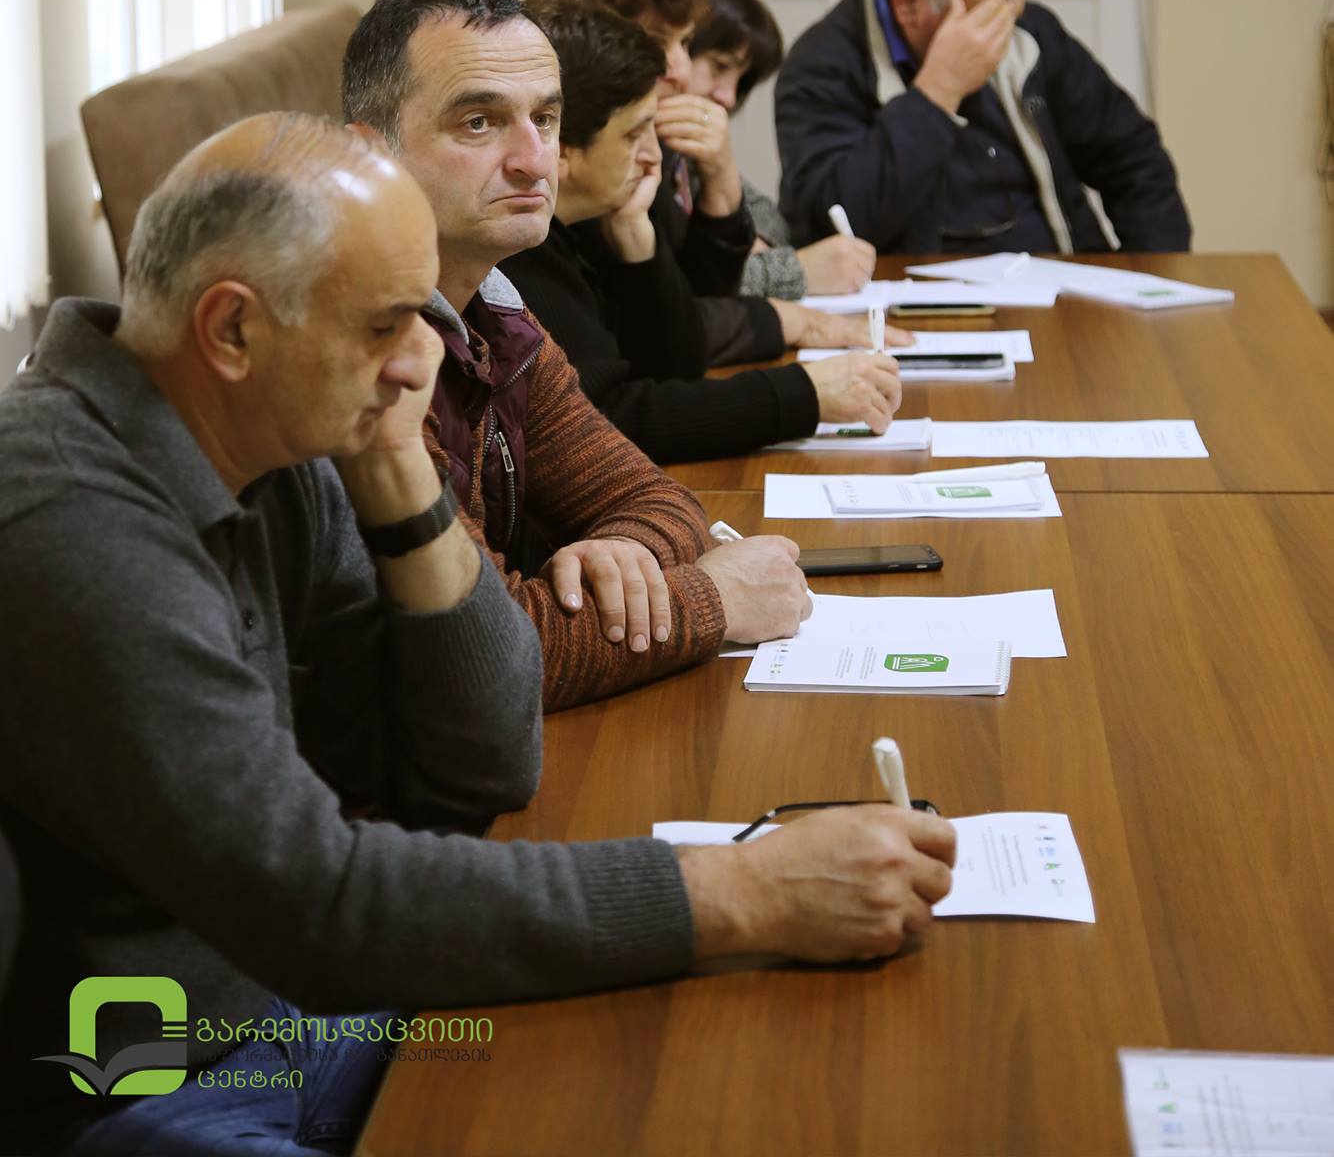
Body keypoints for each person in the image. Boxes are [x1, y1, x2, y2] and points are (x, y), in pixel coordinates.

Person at [0, 114, 956, 1157]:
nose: (420, 362)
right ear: (231, 329)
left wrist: (402, 479)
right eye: (385, 324)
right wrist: (740, 889)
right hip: (125, 1079)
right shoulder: (67, 517)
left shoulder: (276, 439)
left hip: (284, 1010)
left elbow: (486, 759)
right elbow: (315, 901)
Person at [341, 0, 816, 712]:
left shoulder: (495, 307)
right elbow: (483, 657)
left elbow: (652, 497)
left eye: (545, 118)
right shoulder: (358, 355)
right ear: (371, 155)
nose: (535, 161)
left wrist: (624, 559)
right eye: (479, 122)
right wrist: (714, 598)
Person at [502, 0, 904, 465]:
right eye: (634, 135)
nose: (654, 155)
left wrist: (637, 243)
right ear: (562, 148)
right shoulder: (517, 251)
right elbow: (608, 422)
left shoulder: (595, 220)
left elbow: (677, 368)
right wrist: (805, 393)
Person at [776, 0, 1193, 255]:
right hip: (920, 302)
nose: (999, 40)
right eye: (981, 20)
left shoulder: (1030, 34)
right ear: (908, 3)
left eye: (1009, 15)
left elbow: (1135, 159)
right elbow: (837, 222)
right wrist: (937, 91)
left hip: (1058, 279)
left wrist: (1153, 283)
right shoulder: (822, 65)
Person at [550, 0, 873, 361]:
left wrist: (721, 173)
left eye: (685, 45)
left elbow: (764, 232)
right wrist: (789, 304)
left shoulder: (667, 150)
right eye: (719, 66)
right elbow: (664, 327)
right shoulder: (585, 175)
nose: (680, 71)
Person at [672, 0, 880, 300]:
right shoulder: (637, 151)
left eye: (740, 80)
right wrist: (795, 271)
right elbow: (677, 285)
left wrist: (724, 179)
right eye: (719, 66)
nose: (728, 97)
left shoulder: (684, 150)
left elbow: (772, 223)